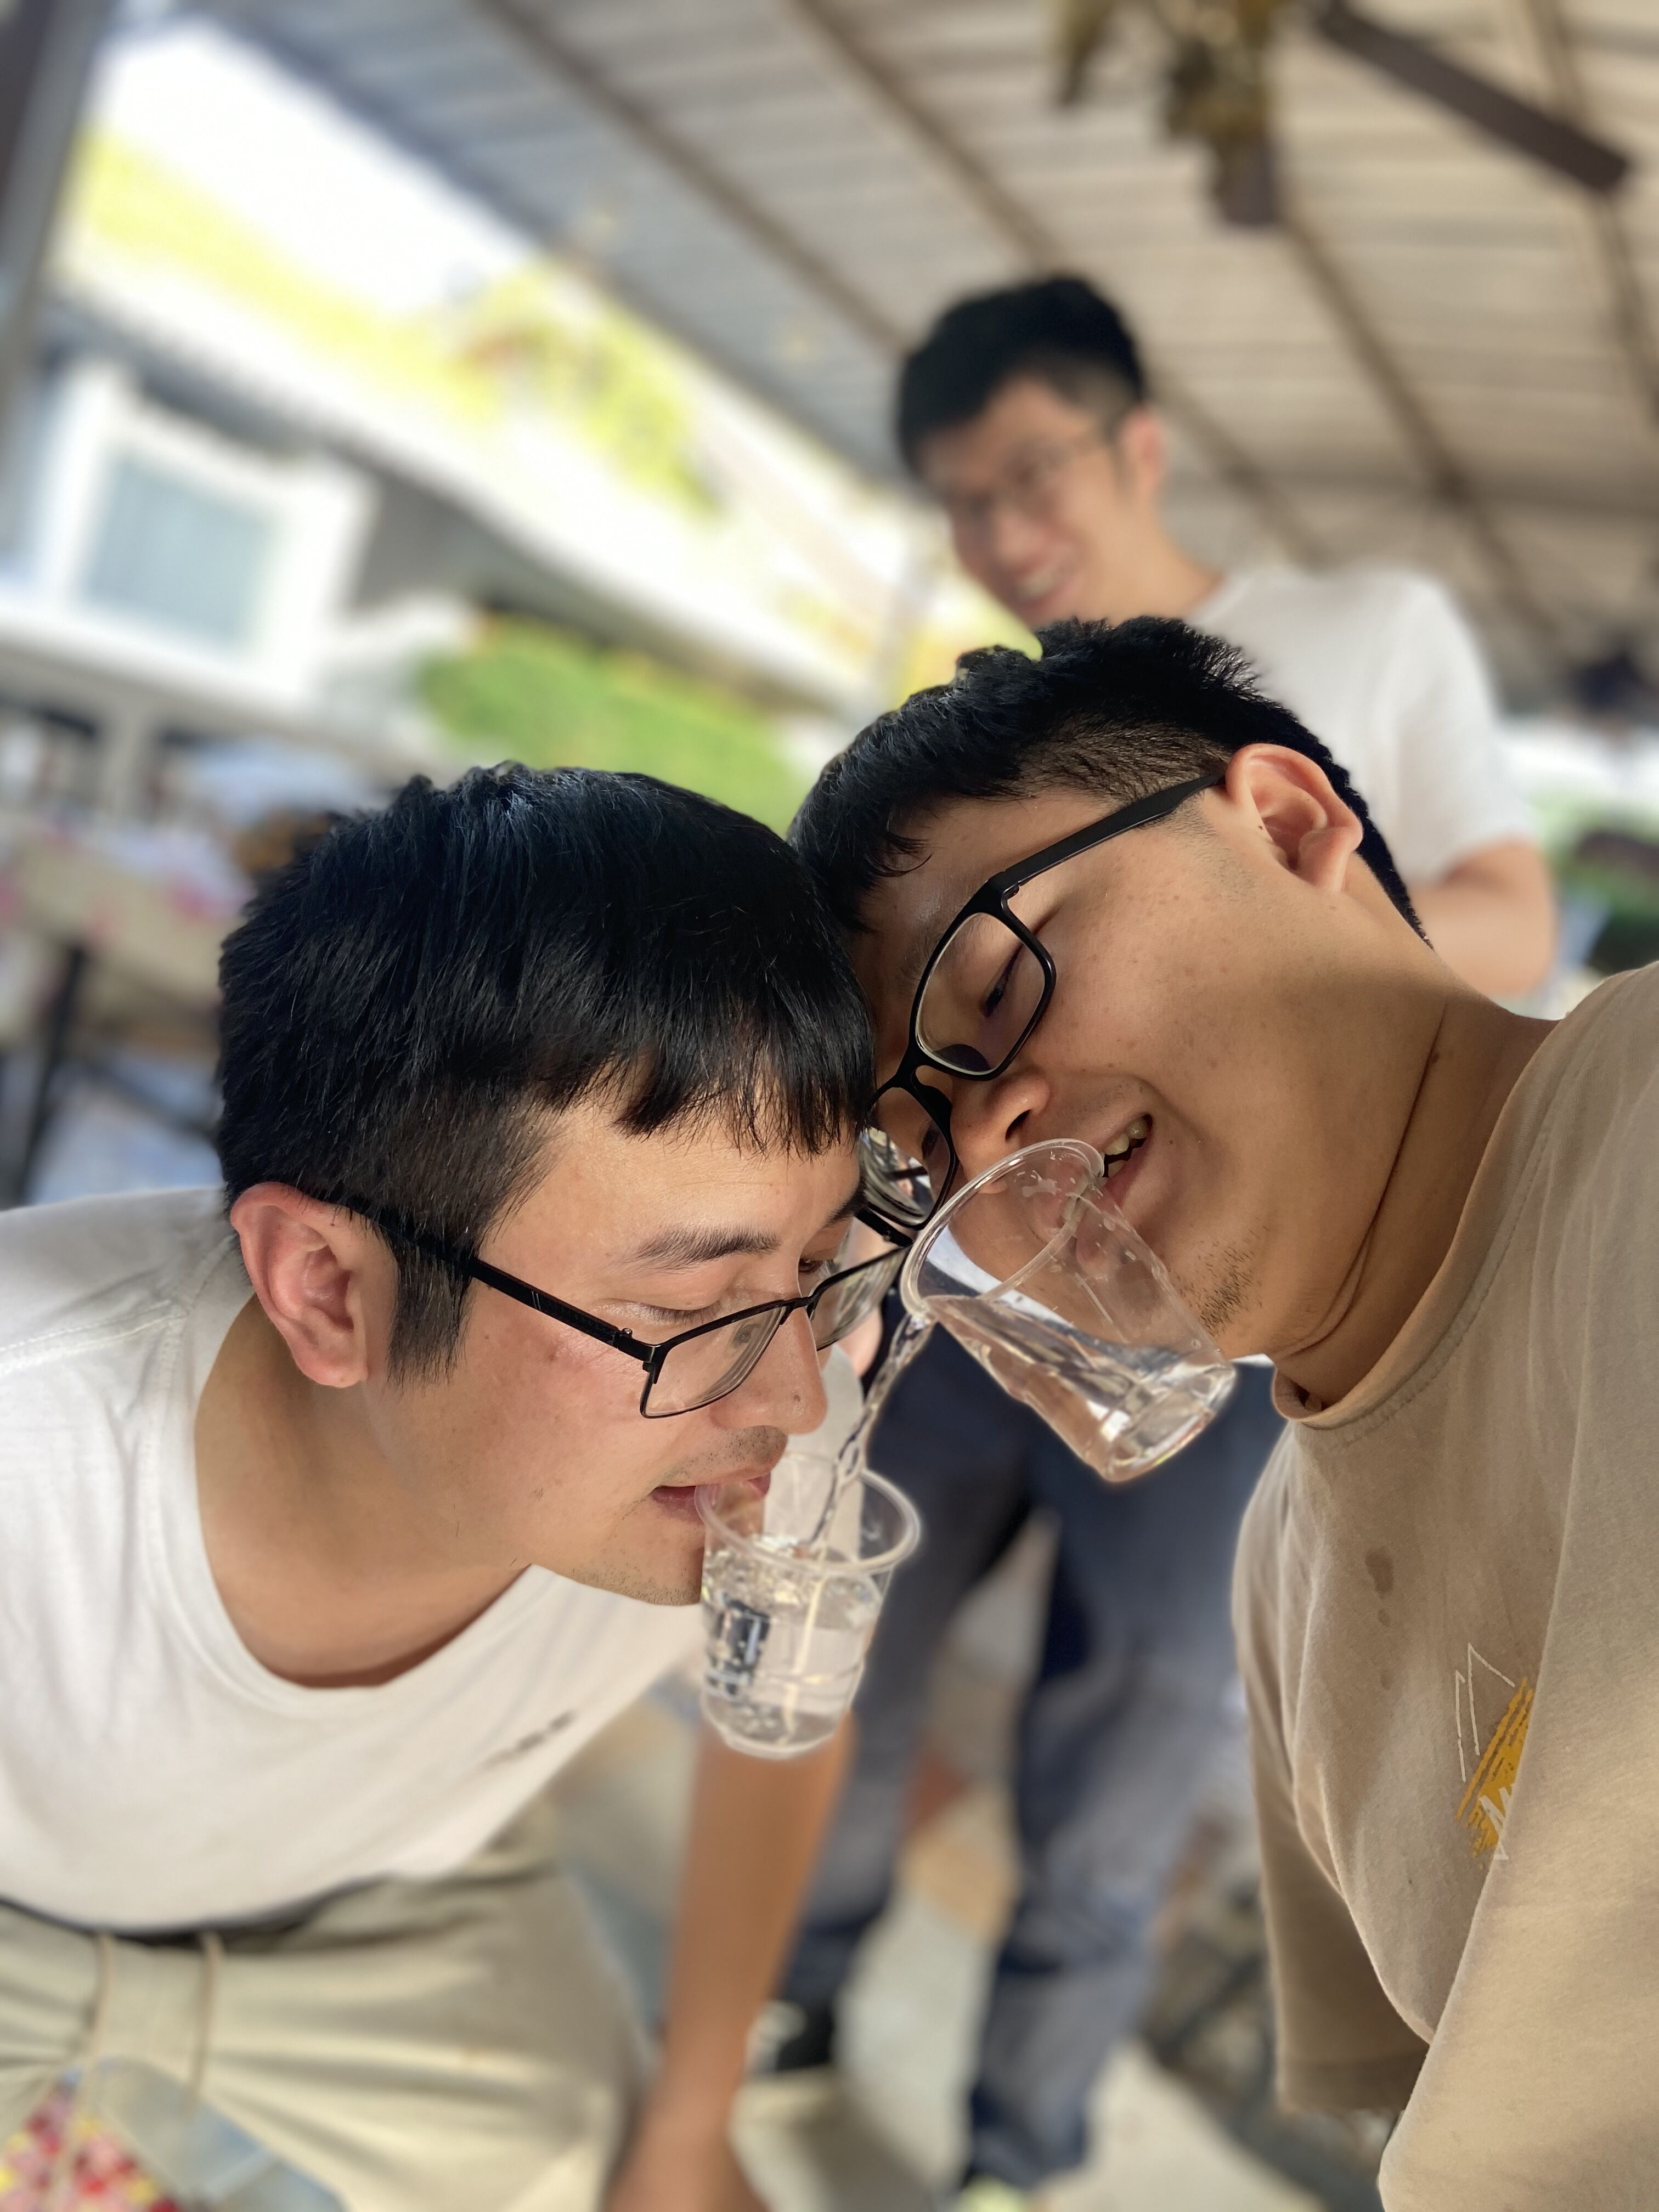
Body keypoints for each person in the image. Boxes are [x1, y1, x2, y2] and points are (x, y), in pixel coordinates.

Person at [771, 276, 1555, 2208]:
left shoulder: (1352, 641)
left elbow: (1513, 910)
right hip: (1006, 1303)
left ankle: (1017, 2150)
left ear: (1137, 445)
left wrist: (1305, 1039)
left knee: (1123, 1745)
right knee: (853, 1647)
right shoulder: (990, 762)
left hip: (1233, 1303)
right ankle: (796, 2003)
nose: (1005, 527)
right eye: (965, 502)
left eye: (1029, 473)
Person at [0, 764, 902, 2212]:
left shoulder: (759, 1433)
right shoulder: (33, 1446)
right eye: (690, 1306)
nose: (793, 1397)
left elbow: (784, 1725)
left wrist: (692, 2119)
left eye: (816, 1269)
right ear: (326, 1288)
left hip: (395, 1913)